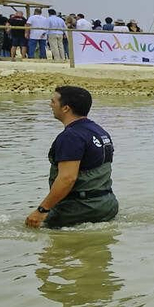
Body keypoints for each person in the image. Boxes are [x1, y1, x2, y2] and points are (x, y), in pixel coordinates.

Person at [26, 85, 119, 229]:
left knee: (32, 231)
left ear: (66, 108)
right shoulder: (100, 132)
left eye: (53, 101)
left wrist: (42, 210)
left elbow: (67, 178)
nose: (50, 105)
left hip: (79, 210)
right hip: (107, 205)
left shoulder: (70, 137)